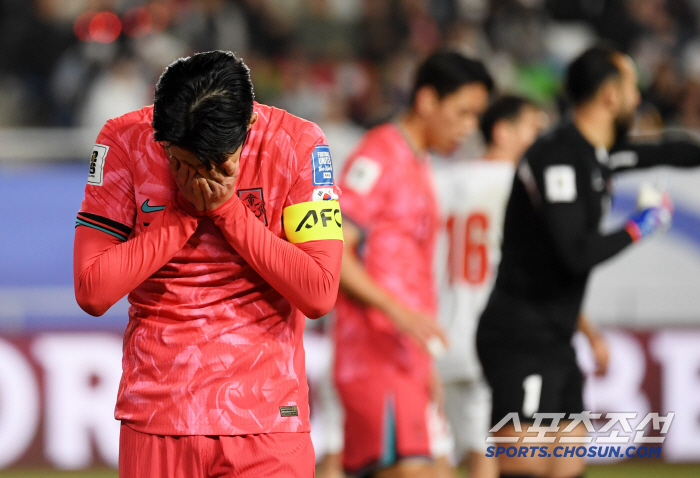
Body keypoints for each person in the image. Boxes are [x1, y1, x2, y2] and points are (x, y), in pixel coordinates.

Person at [73, 50, 344, 478]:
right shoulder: (123, 140)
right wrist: (181, 217)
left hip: (269, 417)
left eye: (215, 166)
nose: (195, 176)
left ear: (249, 125)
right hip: (158, 415)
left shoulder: (300, 145)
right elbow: (92, 289)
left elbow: (319, 292)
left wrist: (228, 212)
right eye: (179, 162)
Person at [476, 45, 700, 478]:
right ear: (610, 96)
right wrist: (639, 226)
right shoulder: (556, 156)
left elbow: (672, 151)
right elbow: (574, 254)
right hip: (520, 338)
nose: (639, 99)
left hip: (556, 341)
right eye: (633, 87)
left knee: (568, 468)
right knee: (524, 470)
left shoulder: (599, 154)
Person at [333, 51, 493, 478]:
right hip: (375, 356)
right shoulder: (377, 157)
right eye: (463, 112)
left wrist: (425, 362)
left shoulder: (417, 163)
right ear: (426, 100)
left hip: (407, 359)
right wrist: (400, 313)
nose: (470, 127)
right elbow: (335, 253)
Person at [433, 95, 544, 478]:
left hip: (436, 333)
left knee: (436, 454)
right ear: (502, 131)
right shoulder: (524, 187)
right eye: (533, 127)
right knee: (487, 453)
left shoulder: (441, 179)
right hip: (493, 336)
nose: (539, 138)